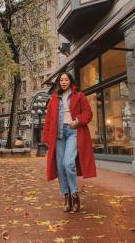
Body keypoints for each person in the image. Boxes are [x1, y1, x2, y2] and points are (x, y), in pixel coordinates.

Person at [42, 72, 96, 213]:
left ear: (71, 81)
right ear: (59, 82)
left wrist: (77, 121)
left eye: (66, 79)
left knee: (68, 163)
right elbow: (48, 120)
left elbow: (88, 113)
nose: (64, 82)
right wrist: (47, 138)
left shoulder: (79, 95)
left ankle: (75, 195)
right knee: (60, 167)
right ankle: (67, 198)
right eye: (61, 80)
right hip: (58, 134)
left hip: (73, 132)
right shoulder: (54, 98)